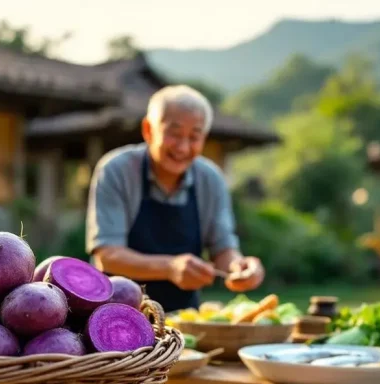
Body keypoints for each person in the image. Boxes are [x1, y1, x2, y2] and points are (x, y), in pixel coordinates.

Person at [85, 84, 265, 312]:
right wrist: (170, 267)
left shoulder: (211, 179)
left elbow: (223, 249)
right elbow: (108, 256)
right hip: (116, 313)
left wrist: (239, 267)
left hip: (184, 316)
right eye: (174, 134)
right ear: (148, 130)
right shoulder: (116, 170)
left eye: (194, 137)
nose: (183, 147)